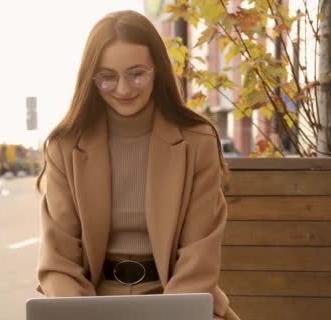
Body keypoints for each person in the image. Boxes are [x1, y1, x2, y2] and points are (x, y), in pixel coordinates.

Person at [35, 10, 238, 320]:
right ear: (91, 79)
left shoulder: (197, 141)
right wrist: (81, 313)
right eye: (107, 77)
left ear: (157, 71)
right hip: (91, 303)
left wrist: (171, 314)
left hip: (178, 297)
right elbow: (59, 261)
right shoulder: (64, 146)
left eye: (136, 73)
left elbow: (199, 255)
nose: (124, 89)